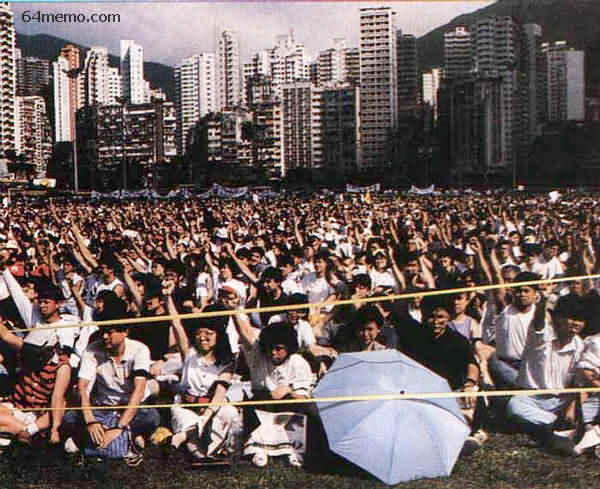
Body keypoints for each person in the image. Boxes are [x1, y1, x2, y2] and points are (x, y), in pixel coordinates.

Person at [62, 298, 160, 465]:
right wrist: (91, 421)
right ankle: (127, 438)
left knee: (151, 417)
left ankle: (103, 438)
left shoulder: (140, 349)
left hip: (131, 409)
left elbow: (138, 391)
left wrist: (118, 427)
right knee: (69, 418)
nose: (104, 336)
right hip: (103, 408)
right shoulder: (92, 350)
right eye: (102, 331)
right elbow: (83, 388)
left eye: (110, 332)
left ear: (125, 332)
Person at [230, 301, 312, 468]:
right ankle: (258, 449)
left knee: (296, 409)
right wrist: (234, 312)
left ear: (289, 348)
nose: (273, 353)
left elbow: (305, 398)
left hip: (287, 407)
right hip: (261, 404)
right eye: (270, 348)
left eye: (279, 349)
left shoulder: (298, 362)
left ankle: (292, 451)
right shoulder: (258, 356)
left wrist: (288, 390)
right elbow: (246, 334)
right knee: (256, 404)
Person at [164, 289, 240, 462]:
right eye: (199, 333)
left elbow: (220, 393)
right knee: (192, 430)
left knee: (229, 413)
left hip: (212, 407)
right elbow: (176, 323)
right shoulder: (189, 353)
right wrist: (167, 297)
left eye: (209, 334)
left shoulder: (227, 361)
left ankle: (179, 441)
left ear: (218, 336)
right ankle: (199, 454)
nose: (202, 338)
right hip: (186, 406)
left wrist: (205, 418)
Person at [506, 295, 585, 455]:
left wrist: (571, 407)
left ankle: (554, 429)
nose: (576, 323)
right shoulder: (541, 336)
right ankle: (556, 429)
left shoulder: (580, 346)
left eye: (580, 319)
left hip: (561, 401)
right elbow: (538, 322)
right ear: (557, 318)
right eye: (571, 318)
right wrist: (542, 301)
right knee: (514, 406)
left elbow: (578, 383)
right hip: (531, 398)